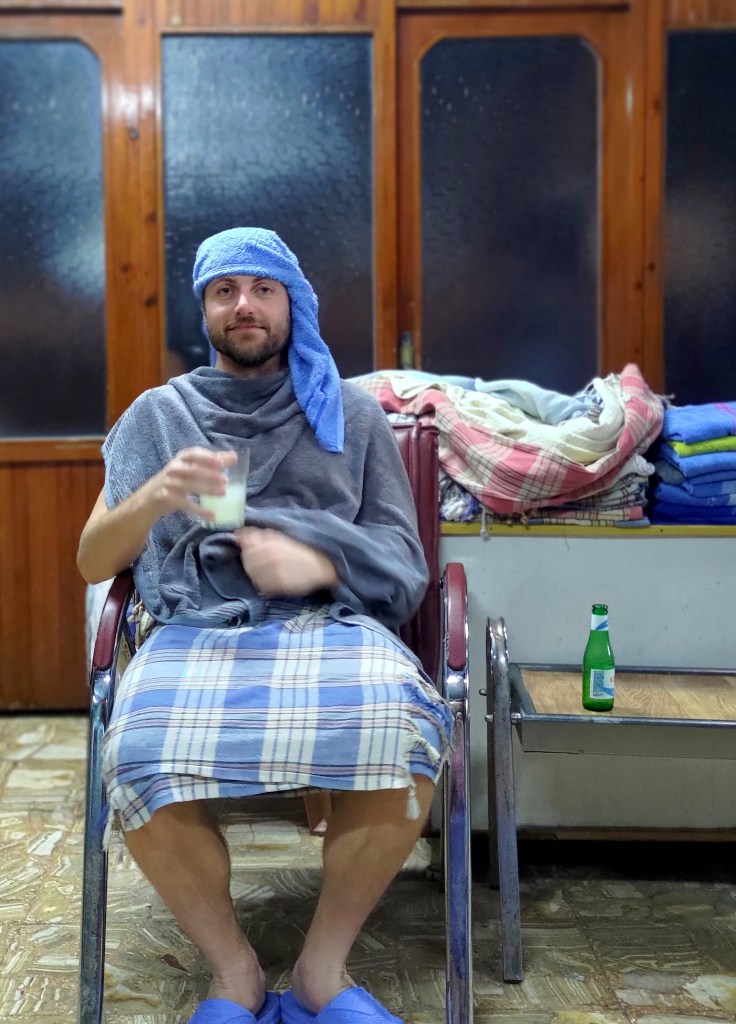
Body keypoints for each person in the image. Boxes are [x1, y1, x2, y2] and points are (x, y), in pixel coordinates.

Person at [77, 227, 453, 1024]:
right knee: (136, 750)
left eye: (262, 289)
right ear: (204, 310)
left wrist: (319, 561)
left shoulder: (350, 415)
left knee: (406, 733)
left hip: (331, 622)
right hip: (196, 626)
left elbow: (404, 562)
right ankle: (234, 973)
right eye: (225, 290)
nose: (243, 304)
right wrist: (155, 496)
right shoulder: (160, 416)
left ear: (293, 304)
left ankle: (322, 969)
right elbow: (90, 560)